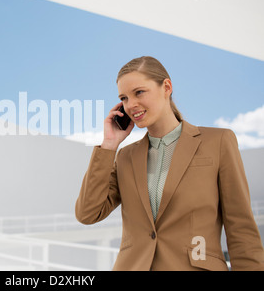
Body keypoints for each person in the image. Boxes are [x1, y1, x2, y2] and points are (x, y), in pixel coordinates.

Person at [75, 56, 264, 271]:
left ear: (166, 87)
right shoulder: (126, 157)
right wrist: (109, 145)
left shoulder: (218, 142)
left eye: (139, 92)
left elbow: (241, 229)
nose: (131, 105)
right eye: (124, 98)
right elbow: (87, 214)